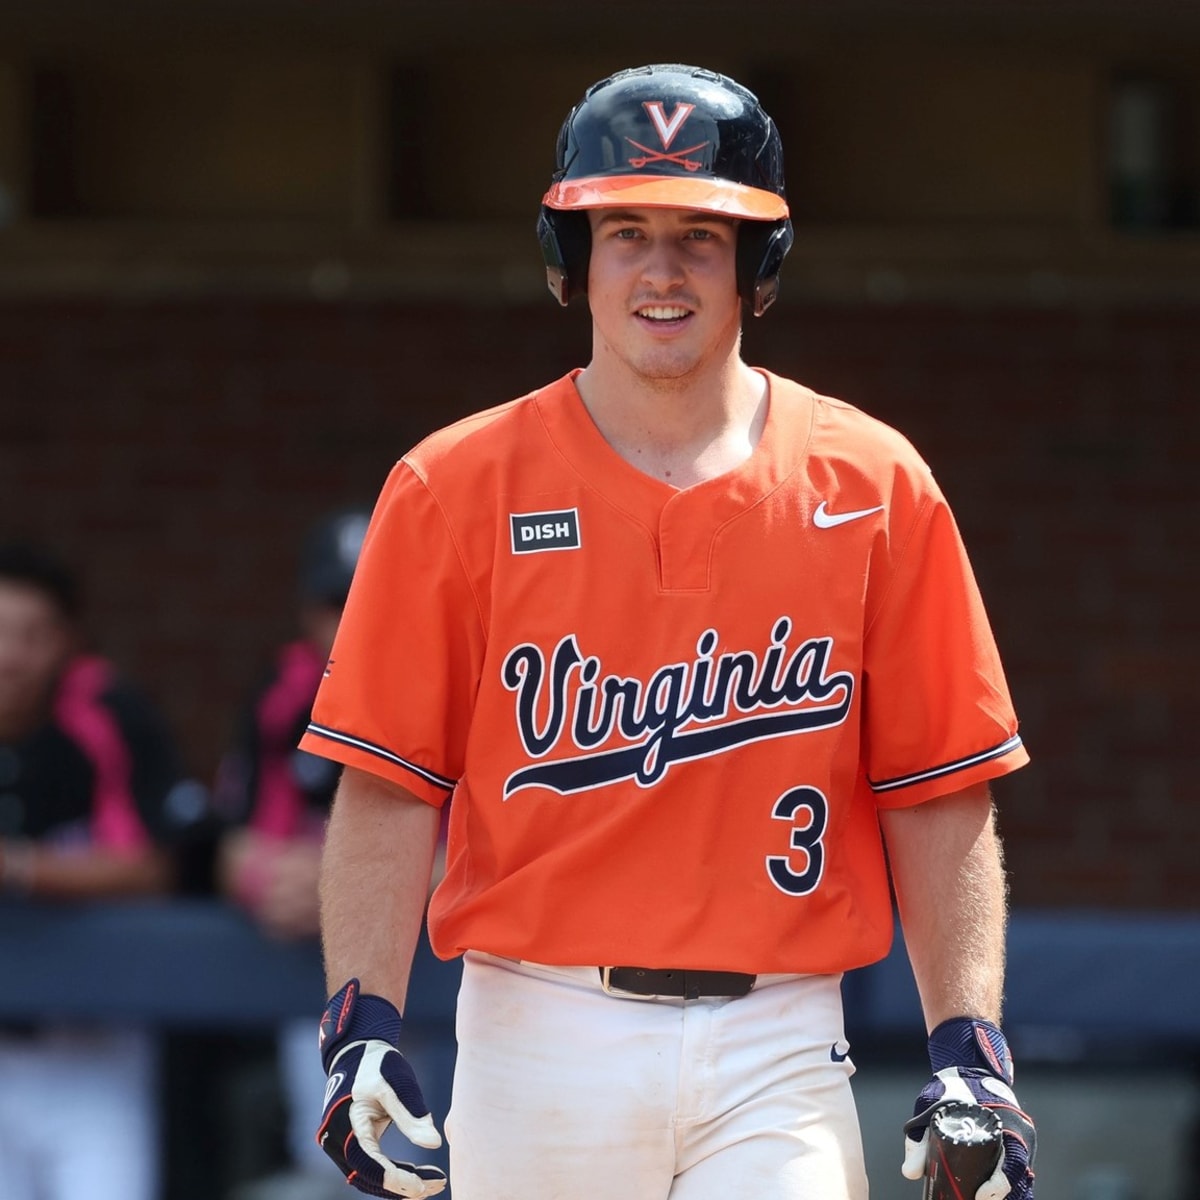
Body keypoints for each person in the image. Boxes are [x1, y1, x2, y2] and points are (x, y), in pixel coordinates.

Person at [301, 63, 1037, 1200]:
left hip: (780, 1041)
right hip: (537, 1025)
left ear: (759, 265)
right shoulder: (453, 484)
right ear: (572, 259)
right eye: (625, 230)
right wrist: (362, 1024)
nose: (661, 269)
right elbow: (392, 784)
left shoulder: (872, 480)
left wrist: (969, 1049)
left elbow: (939, 787)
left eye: (701, 233)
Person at [0, 540, 188, 1200]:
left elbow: (152, 867)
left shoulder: (104, 713)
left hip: (91, 1047)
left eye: (32, 635)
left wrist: (20, 867)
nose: (11, 656)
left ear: (67, 641)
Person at [212, 508, 373, 1200]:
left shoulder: (471, 678)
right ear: (309, 612)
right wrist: (269, 881)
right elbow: (237, 839)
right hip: (319, 972)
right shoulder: (286, 692)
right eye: (338, 603)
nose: (355, 619)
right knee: (334, 1168)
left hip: (449, 979)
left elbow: (492, 851)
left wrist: (341, 885)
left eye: (373, 593)